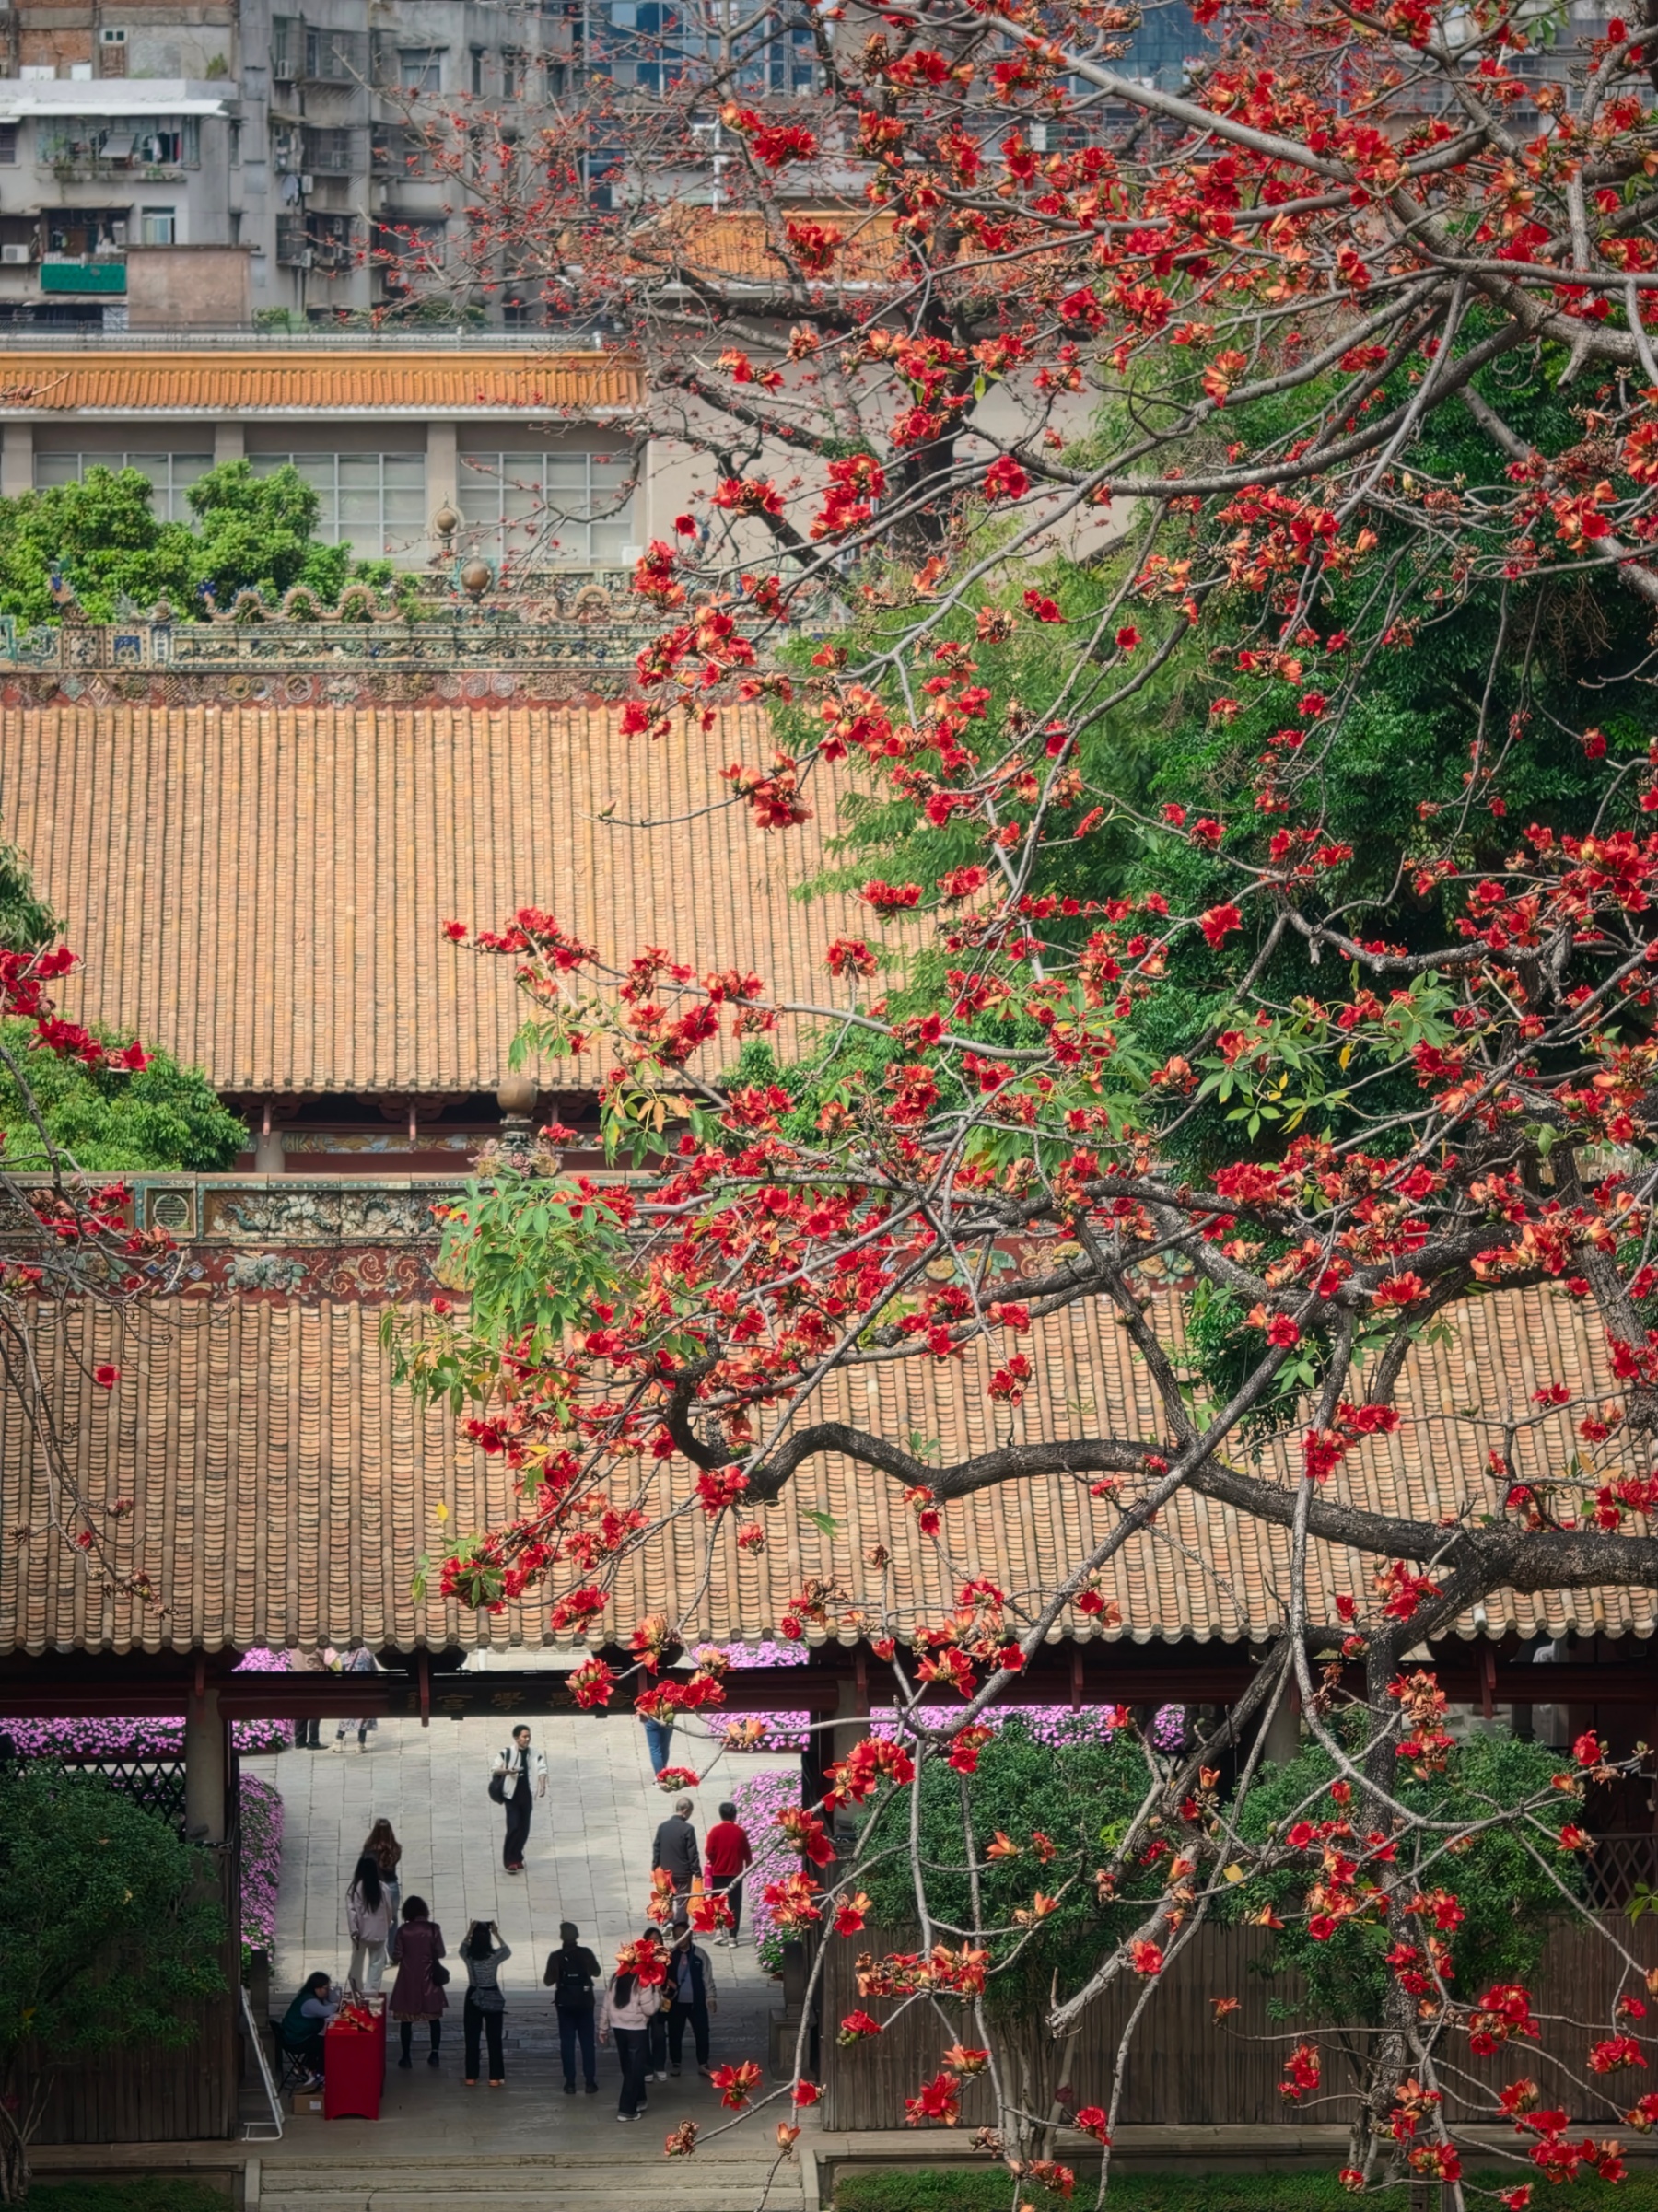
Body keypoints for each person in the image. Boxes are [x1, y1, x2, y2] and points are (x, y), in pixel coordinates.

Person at [598, 1938, 661, 2123]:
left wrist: (602, 2028)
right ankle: (626, 2110)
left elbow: (607, 2004)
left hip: (619, 2028)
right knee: (635, 2069)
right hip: (636, 2029)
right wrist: (657, 1994)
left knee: (629, 2067)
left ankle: (640, 2100)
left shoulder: (616, 1977)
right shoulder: (644, 1981)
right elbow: (649, 2009)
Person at [388, 1894, 448, 2068]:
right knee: (434, 2019)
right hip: (429, 1977)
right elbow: (441, 1952)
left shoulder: (403, 1931)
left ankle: (406, 2056)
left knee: (406, 2020)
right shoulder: (433, 1929)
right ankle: (434, 2054)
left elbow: (397, 1955)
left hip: (408, 1979)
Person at [543, 1921, 603, 2095]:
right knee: (587, 2044)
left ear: (561, 1937)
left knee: (567, 2043)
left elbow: (548, 1981)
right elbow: (597, 1972)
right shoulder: (586, 1954)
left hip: (565, 2005)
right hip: (585, 2003)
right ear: (577, 1936)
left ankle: (570, 2082)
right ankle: (590, 2082)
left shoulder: (556, 1956)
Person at [460, 1919, 511, 2087]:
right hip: (491, 1993)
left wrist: (470, 1930)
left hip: (473, 1995)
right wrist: (496, 1932)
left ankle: (471, 2076)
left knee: (472, 2037)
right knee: (494, 2038)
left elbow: (463, 1946)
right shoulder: (494, 1957)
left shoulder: (468, 1955)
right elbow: (507, 1951)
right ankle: (495, 2077)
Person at [492, 1725, 547, 1873]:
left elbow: (542, 1768)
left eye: (528, 1736)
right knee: (514, 1826)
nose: (527, 1739)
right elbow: (495, 1769)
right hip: (512, 1796)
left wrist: (542, 1784)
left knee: (524, 1828)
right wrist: (507, 1771)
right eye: (524, 1736)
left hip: (527, 1795)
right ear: (516, 1738)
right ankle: (509, 1860)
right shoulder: (507, 1753)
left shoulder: (534, 1753)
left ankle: (517, 1856)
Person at [665, 1930, 717, 2077]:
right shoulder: (669, 1955)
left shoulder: (700, 1954)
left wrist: (711, 1996)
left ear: (689, 1936)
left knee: (702, 2032)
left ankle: (703, 2063)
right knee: (675, 2033)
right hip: (675, 2003)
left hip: (696, 2002)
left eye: (683, 1934)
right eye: (677, 1934)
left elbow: (707, 1976)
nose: (680, 1937)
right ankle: (676, 2062)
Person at [704, 1800, 753, 1943]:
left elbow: (709, 1851)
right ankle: (733, 1937)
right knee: (735, 1905)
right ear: (734, 1816)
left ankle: (719, 1932)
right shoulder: (740, 1832)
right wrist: (747, 1868)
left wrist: (714, 1861)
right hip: (735, 1874)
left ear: (721, 1815)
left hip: (718, 1873)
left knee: (717, 1903)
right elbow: (747, 1854)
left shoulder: (715, 1831)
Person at [278, 1971, 337, 2087]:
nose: (328, 1990)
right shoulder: (310, 2002)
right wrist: (335, 2004)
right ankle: (319, 2073)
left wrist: (331, 1995)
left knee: (319, 2039)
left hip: (295, 2035)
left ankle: (306, 2066)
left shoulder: (307, 1996)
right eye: (326, 1987)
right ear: (317, 1988)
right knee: (324, 2043)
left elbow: (331, 2000)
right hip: (295, 2040)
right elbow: (327, 2010)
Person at [346, 1855, 393, 1993]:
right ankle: (371, 1992)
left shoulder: (355, 1889)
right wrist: (388, 1924)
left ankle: (356, 1989)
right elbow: (389, 1910)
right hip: (379, 1933)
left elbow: (351, 1912)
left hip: (360, 1934)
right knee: (376, 1964)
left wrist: (354, 1930)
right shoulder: (383, 1888)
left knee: (357, 1962)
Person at [650, 1795, 700, 1922]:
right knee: (682, 1902)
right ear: (685, 1810)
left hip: (665, 1872)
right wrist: (697, 1872)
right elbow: (692, 1853)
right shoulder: (688, 1829)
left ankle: (667, 1922)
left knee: (666, 1899)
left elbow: (657, 1849)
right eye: (690, 1812)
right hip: (682, 1873)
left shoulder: (663, 1827)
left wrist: (655, 1868)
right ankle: (680, 1927)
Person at [332, 1639, 379, 1753]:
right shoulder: (367, 1652)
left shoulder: (344, 1655)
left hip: (350, 1690)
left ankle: (338, 1741)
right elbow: (374, 1671)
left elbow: (341, 1673)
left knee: (346, 1715)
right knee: (364, 1715)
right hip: (365, 1690)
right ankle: (360, 1744)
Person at [362, 1818, 403, 1947]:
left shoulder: (369, 1849)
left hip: (376, 1887)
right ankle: (392, 1952)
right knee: (393, 1919)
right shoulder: (395, 1848)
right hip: (392, 1886)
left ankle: (379, 1955)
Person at [289, 1640, 332, 1750]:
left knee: (301, 1710)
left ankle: (299, 1741)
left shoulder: (294, 1645)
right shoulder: (315, 1644)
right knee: (315, 1710)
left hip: (298, 1679)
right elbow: (329, 1659)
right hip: (315, 1679)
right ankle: (313, 1741)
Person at [638, 1704, 673, 1776]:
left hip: (651, 1717)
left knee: (655, 1749)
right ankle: (664, 1774)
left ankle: (659, 1777)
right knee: (664, 1747)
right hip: (667, 1717)